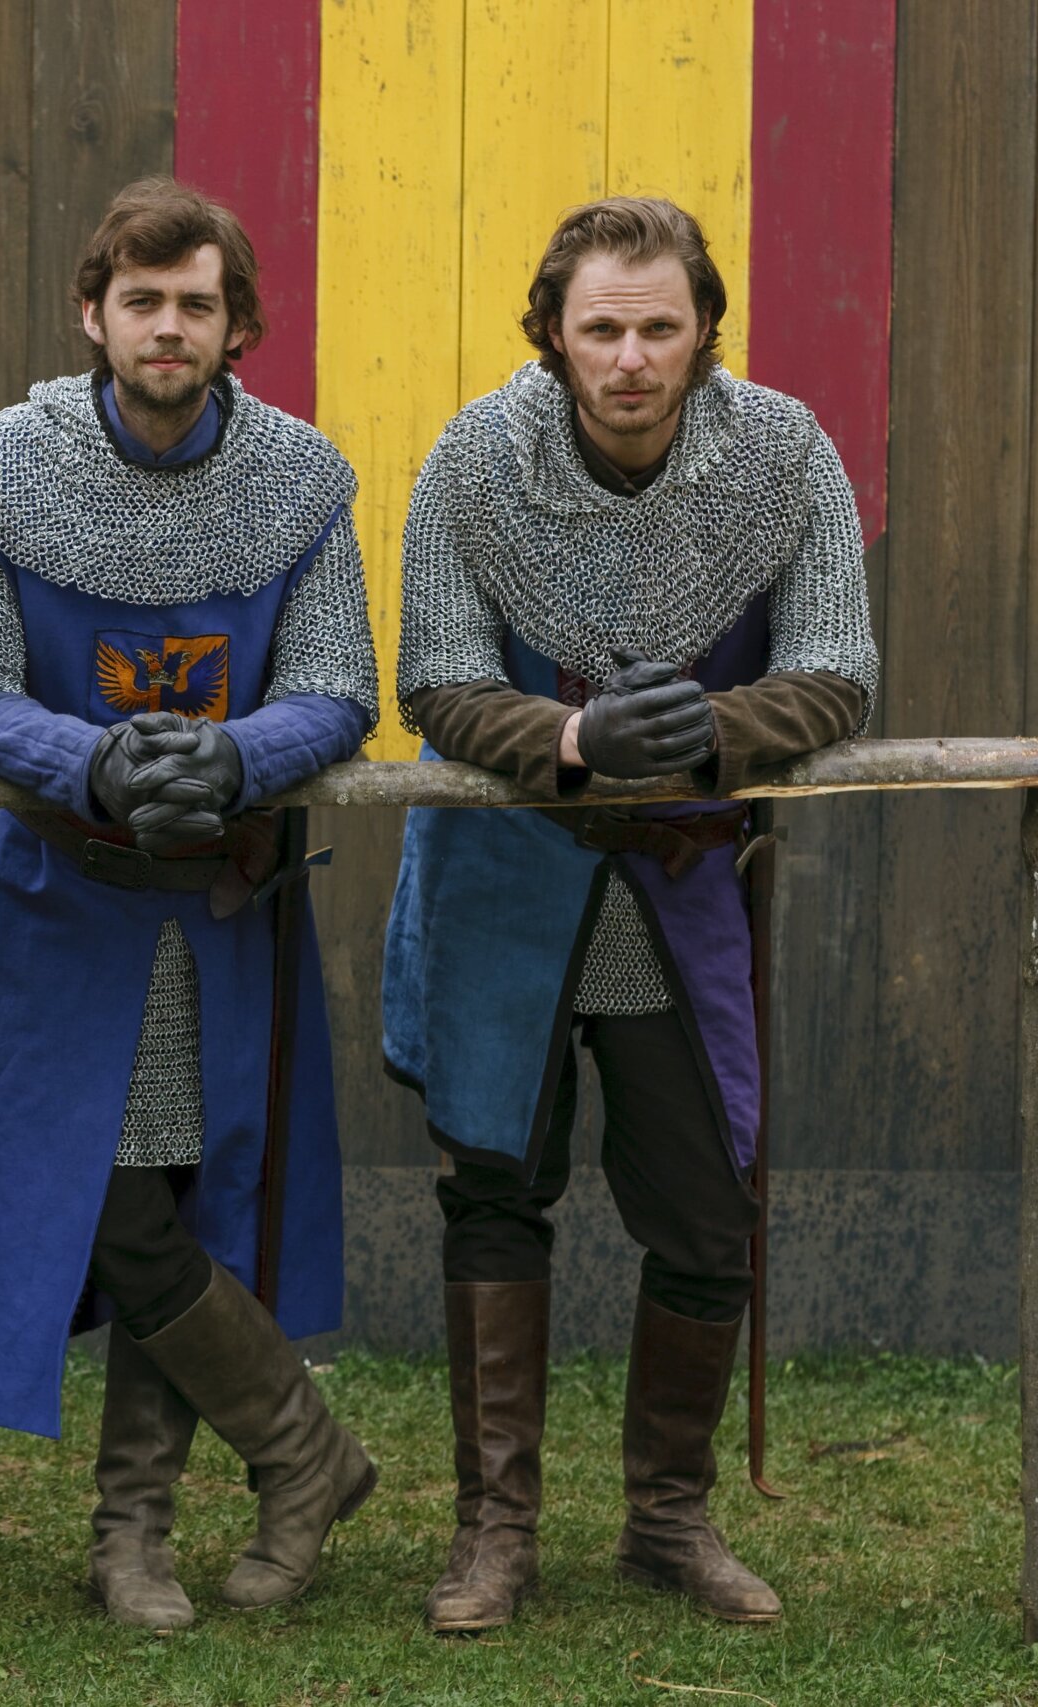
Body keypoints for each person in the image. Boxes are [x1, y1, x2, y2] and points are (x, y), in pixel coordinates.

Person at [384, 196, 879, 1632]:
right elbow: (437, 680)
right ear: (553, 330)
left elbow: (839, 671)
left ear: (705, 329)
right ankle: (495, 1535)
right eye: (602, 327)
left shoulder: (781, 455)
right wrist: (571, 739)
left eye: (661, 327)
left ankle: (669, 1518)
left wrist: (711, 730)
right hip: (509, 862)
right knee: (494, 1185)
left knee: (710, 1203)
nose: (631, 358)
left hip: (679, 871)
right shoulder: (479, 459)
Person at [0, 177, 381, 1630]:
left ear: (237, 326)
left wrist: (236, 759)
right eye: (142, 301)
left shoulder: (301, 480)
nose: (167, 327)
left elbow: (338, 688)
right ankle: (302, 1452)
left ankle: (136, 1537)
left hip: (216, 900)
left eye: (196, 304)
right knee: (102, 1197)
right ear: (91, 314)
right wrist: (95, 763)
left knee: (180, 1196)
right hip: (56, 892)